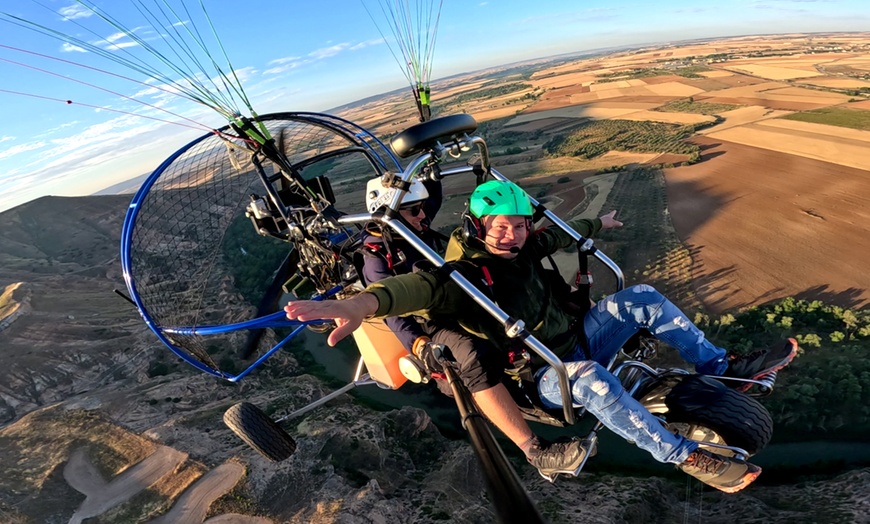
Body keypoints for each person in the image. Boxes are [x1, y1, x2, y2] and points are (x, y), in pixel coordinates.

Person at [287, 179, 797, 493]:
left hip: (576, 341)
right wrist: (353, 305)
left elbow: (558, 229)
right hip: (541, 377)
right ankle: (687, 458)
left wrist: (600, 219)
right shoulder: (458, 279)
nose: (513, 234)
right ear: (478, 226)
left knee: (637, 296)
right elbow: (398, 292)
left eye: (518, 225)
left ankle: (719, 365)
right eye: (501, 227)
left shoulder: (525, 243)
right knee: (594, 382)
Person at [360, 176, 587, 478]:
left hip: (457, 296)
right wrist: (418, 344)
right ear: (389, 214)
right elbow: (395, 316)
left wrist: (432, 165)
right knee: (472, 352)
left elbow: (433, 195)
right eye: (414, 210)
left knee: (543, 292)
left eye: (422, 208)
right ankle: (534, 450)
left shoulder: (414, 227)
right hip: (430, 320)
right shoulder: (377, 258)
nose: (424, 215)